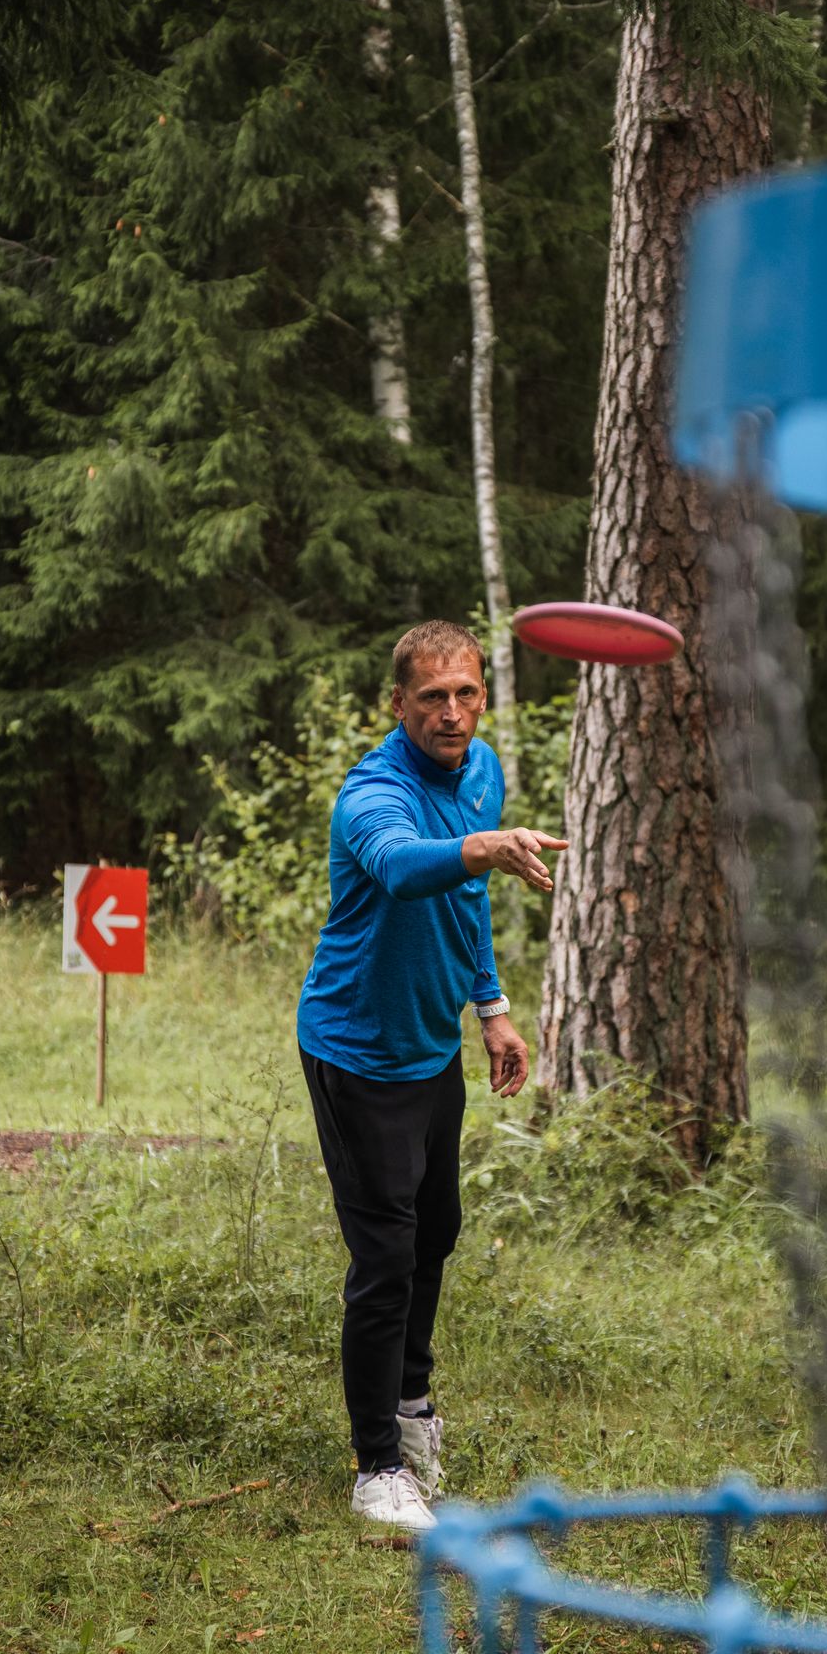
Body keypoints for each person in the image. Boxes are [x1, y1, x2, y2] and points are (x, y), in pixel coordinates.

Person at [296, 620, 567, 1533]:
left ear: (483, 694)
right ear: (399, 705)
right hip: (355, 1049)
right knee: (384, 1256)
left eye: (466, 693)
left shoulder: (482, 768)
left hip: (429, 1046)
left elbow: (464, 901)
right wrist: (482, 849)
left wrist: (489, 1007)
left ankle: (412, 1408)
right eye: (432, 698)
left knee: (436, 1232)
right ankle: (377, 1467)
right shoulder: (371, 792)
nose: (452, 713)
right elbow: (409, 870)